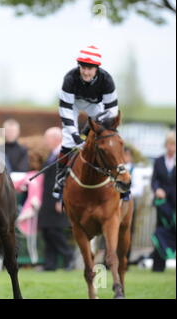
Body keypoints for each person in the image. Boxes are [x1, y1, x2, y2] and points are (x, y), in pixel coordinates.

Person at [53, 45, 119, 199]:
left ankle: (119, 176)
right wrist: (76, 136)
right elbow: (65, 110)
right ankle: (60, 177)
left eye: (90, 68)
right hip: (73, 105)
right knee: (69, 139)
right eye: (83, 67)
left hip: (96, 106)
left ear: (97, 69)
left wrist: (95, 123)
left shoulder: (107, 80)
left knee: (109, 136)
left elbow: (112, 111)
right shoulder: (70, 78)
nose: (86, 72)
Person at [38, 127, 74, 271]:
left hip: (57, 199)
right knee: (47, 231)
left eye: (47, 138)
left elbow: (66, 178)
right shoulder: (52, 154)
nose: (45, 141)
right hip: (47, 200)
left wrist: (61, 199)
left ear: (56, 138)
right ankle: (49, 264)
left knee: (55, 231)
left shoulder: (64, 154)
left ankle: (69, 256)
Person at [150, 131, 176, 272]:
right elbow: (154, 180)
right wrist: (157, 189)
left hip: (175, 204)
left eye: (173, 144)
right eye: (169, 144)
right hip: (162, 204)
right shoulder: (159, 160)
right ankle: (158, 266)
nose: (171, 147)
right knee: (160, 232)